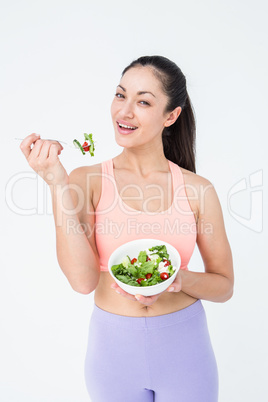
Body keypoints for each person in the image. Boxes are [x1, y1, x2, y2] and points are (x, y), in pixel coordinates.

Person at [20, 55, 234, 402]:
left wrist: (179, 280)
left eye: (143, 101)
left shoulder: (198, 189)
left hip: (184, 348)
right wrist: (56, 183)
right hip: (113, 352)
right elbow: (82, 281)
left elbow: (224, 286)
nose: (125, 111)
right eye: (120, 95)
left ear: (171, 116)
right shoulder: (85, 180)